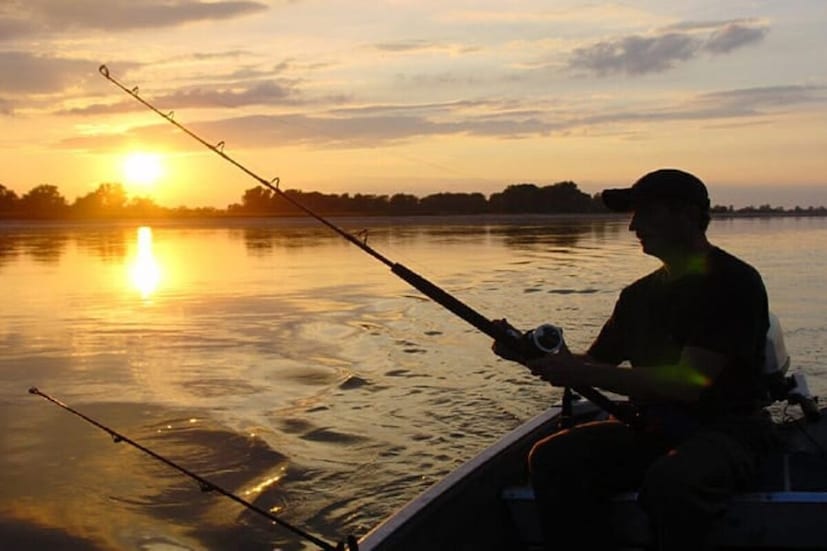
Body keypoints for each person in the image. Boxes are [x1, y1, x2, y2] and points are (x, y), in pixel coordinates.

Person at [495, 168, 776, 550]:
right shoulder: (637, 296)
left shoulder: (732, 282)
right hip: (651, 426)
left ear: (689, 215)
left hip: (727, 430)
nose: (633, 226)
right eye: (633, 214)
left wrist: (577, 370)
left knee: (673, 480)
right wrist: (530, 354)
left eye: (647, 213)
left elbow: (689, 383)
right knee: (553, 458)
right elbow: (595, 363)